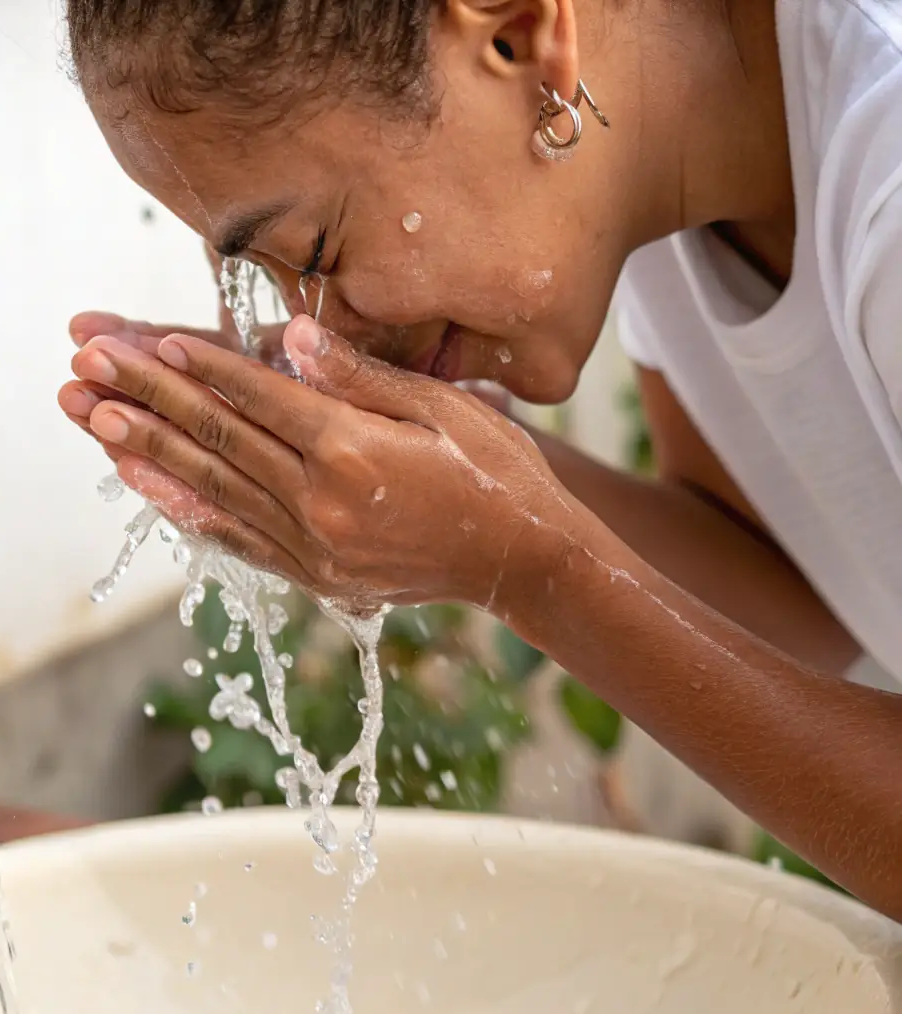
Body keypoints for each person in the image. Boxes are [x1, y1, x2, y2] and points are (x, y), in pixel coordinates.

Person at [57, 0, 902, 915]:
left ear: (520, 36)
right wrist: (464, 470)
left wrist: (529, 567)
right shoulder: (638, 159)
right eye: (265, 278)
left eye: (319, 250)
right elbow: (793, 592)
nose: (316, 329)